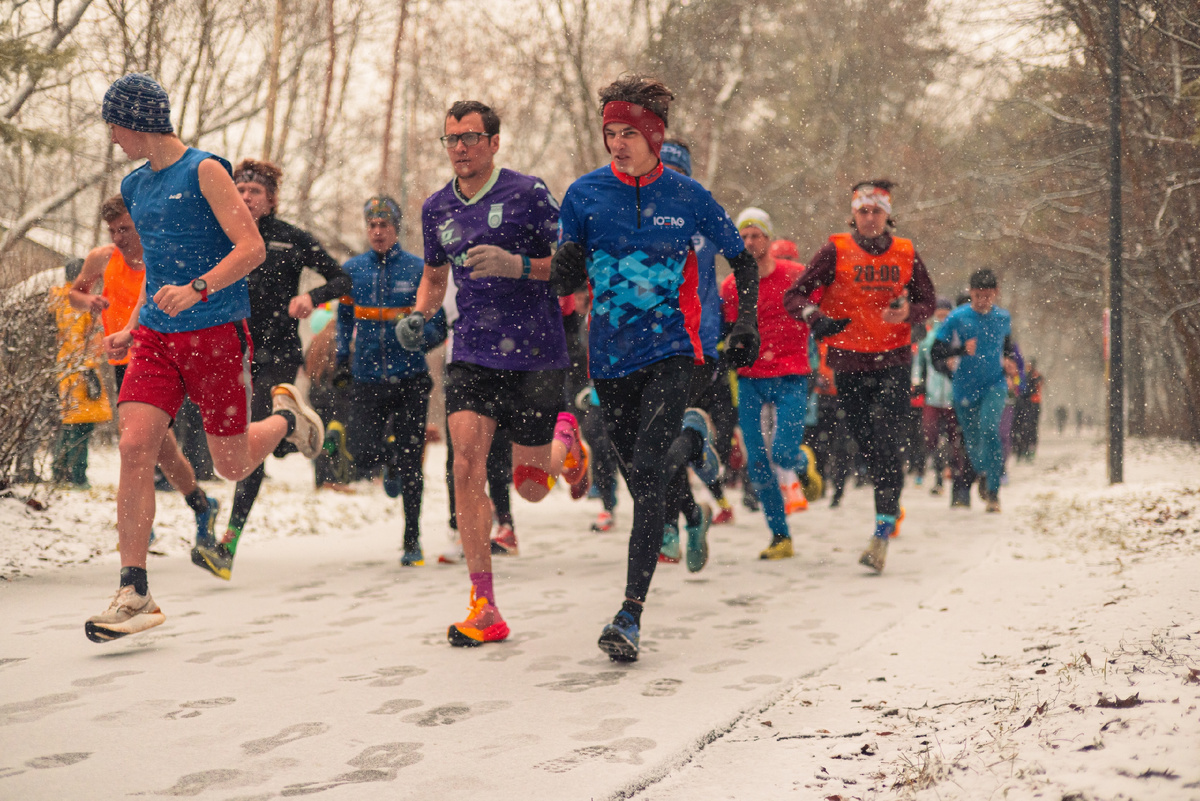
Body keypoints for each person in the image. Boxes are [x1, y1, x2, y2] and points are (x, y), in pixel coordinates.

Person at [84, 74, 323, 643]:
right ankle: (135, 589)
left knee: (232, 462)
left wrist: (199, 288)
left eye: (115, 125)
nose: (113, 137)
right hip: (158, 339)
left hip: (215, 332)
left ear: (139, 119)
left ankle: (289, 419)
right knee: (137, 443)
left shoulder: (206, 170)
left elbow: (252, 248)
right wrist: (133, 324)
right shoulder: (135, 186)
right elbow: (158, 269)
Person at [552, 75, 760, 662]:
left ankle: (629, 613)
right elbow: (567, 277)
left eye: (628, 133)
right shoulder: (584, 195)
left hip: (672, 352)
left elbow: (743, 260)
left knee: (647, 464)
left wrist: (746, 324)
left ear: (654, 135)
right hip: (610, 358)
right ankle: (689, 494)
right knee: (643, 477)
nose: (617, 143)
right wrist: (564, 269)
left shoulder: (688, 197)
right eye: (609, 133)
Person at [398, 99, 589, 648]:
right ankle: (485, 605)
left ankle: (566, 444)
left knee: (530, 487)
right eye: (451, 138)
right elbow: (434, 278)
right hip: (474, 351)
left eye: (470, 137)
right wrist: (420, 313)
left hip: (536, 352)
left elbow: (577, 266)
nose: (459, 147)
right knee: (466, 467)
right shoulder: (437, 209)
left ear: (494, 142)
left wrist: (520, 266)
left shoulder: (528, 194)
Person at [190, 158, 352, 580]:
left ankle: (228, 543)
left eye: (254, 191)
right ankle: (292, 430)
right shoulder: (220, 236)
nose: (245, 197)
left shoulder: (291, 239)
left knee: (247, 444)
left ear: (271, 198)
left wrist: (312, 299)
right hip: (232, 350)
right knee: (243, 442)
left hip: (277, 353)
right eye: (240, 191)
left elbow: (342, 279)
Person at [784, 179, 936, 573]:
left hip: (894, 360)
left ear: (888, 215)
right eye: (863, 211)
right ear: (853, 214)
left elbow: (928, 300)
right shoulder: (835, 250)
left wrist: (909, 314)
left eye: (877, 212)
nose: (870, 219)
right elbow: (795, 296)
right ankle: (889, 502)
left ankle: (882, 528)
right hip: (848, 361)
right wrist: (815, 318)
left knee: (887, 439)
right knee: (866, 443)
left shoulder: (905, 252)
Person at [69, 194, 219, 544]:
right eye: (112, 230)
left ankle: (140, 521)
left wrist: (138, 332)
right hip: (123, 360)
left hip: (159, 359)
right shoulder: (102, 258)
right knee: (159, 447)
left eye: (125, 228)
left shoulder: (161, 257)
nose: (118, 237)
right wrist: (88, 300)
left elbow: (161, 301)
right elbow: (74, 292)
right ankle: (200, 504)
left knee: (137, 443)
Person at [337, 196, 447, 566]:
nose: (378, 232)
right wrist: (340, 361)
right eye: (372, 226)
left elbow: (440, 325)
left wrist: (422, 337)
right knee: (361, 450)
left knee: (413, 461)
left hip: (410, 381)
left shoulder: (419, 270)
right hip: (367, 378)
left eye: (384, 225)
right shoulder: (352, 270)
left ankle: (411, 540)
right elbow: (344, 321)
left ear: (396, 228)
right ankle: (390, 464)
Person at [720, 207, 820, 559]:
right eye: (743, 236)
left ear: (769, 238)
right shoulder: (732, 285)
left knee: (782, 454)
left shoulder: (796, 276)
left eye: (755, 235)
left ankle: (802, 463)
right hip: (750, 380)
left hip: (791, 375)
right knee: (757, 463)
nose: (749, 242)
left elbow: (823, 307)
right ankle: (780, 536)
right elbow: (727, 329)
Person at [931, 268, 1014, 514]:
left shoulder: (1003, 317)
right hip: (964, 387)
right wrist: (959, 351)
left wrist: (1008, 359)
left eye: (987, 295)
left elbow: (1006, 344)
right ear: (971, 293)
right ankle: (983, 473)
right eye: (978, 295)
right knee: (974, 445)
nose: (982, 301)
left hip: (994, 384)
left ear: (996, 293)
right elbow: (936, 351)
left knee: (990, 429)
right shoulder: (957, 318)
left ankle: (994, 492)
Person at [51, 258, 112, 488]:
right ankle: (76, 475)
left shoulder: (61, 299)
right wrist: (88, 367)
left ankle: (60, 471)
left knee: (72, 423)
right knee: (81, 425)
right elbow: (78, 340)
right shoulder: (75, 304)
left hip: (69, 369)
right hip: (80, 371)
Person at [913, 297, 956, 496]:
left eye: (945, 311)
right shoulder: (928, 338)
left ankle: (953, 470)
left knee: (953, 437)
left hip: (952, 396)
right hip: (932, 395)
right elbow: (918, 362)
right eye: (939, 310)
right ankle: (938, 475)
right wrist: (916, 381)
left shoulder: (956, 335)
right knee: (931, 436)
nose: (942, 314)